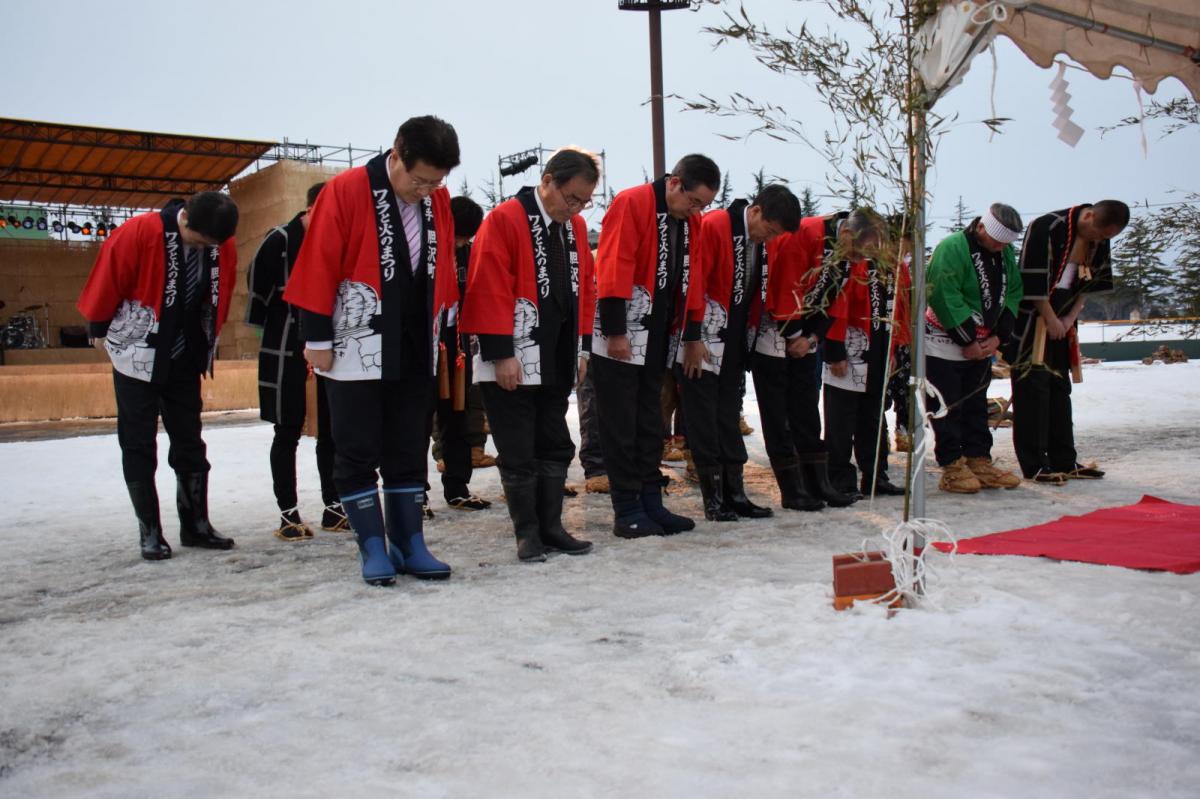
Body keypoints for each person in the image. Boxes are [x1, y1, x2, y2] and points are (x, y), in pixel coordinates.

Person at [283, 115, 460, 586]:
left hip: (416, 338)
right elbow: (318, 261)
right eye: (419, 179)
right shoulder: (346, 190)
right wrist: (316, 337)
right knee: (357, 445)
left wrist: (445, 320)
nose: (425, 190)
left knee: (409, 443)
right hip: (355, 339)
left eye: (436, 182)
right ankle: (371, 545)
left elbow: (441, 265)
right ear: (396, 153)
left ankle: (409, 541)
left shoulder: (435, 199)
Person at [77, 191, 239, 560]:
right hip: (138, 351)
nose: (206, 248)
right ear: (184, 220)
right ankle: (150, 530)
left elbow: (222, 289)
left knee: (190, 440)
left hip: (185, 352)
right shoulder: (140, 232)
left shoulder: (218, 242)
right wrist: (98, 327)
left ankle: (196, 525)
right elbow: (108, 277)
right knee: (138, 441)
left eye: (213, 244)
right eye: (200, 241)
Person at [461, 148, 599, 561]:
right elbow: (486, 285)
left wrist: (582, 348)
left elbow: (585, 289)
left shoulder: (573, 227)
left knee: (554, 441)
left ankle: (552, 527)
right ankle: (527, 533)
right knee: (518, 446)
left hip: (556, 352)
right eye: (572, 198)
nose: (575, 208)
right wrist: (501, 353)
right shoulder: (505, 218)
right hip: (511, 355)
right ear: (548, 180)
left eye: (584, 202)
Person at [590, 154, 720, 538]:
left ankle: (651, 501)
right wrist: (615, 331)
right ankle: (626, 508)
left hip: (659, 335)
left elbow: (694, 280)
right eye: (694, 201)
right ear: (676, 183)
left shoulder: (690, 222)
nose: (697, 210)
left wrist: (693, 335)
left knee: (651, 421)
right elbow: (613, 265)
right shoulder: (633, 202)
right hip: (622, 335)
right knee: (621, 423)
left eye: (704, 206)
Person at [677, 184, 800, 521]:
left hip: (734, 337)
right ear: (757, 212)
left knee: (728, 416)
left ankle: (736, 492)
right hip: (702, 337)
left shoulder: (758, 240)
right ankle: (713, 497)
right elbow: (696, 281)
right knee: (703, 416)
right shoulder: (717, 224)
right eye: (770, 231)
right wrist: (692, 336)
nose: (769, 239)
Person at [246, 182, 346, 539]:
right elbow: (257, 299)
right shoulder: (279, 240)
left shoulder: (336, 240)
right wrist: (279, 338)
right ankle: (288, 513)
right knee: (286, 431)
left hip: (329, 353)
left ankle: (333, 507)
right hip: (286, 352)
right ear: (312, 208)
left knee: (331, 432)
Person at [1005, 200, 1129, 483]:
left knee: (1059, 388)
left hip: (1065, 313)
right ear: (1088, 216)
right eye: (1098, 234)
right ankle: (1035, 464)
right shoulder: (1046, 227)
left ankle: (1064, 459)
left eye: (1106, 238)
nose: (1099, 241)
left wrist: (1069, 319)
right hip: (1034, 313)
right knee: (1032, 387)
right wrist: (1049, 318)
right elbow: (1032, 282)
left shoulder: (1100, 236)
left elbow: (1089, 284)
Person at [751, 210, 863, 512]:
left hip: (805, 332)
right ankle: (791, 488)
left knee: (806, 407)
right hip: (775, 325)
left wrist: (812, 338)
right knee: (778, 412)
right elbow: (784, 285)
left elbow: (837, 296)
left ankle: (818, 482)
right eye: (854, 254)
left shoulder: (848, 252)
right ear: (847, 235)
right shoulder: (807, 233)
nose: (855, 260)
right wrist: (795, 335)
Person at [924, 204, 1025, 493]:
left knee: (976, 405)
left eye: (1006, 243)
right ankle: (952, 465)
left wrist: (998, 337)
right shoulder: (953, 247)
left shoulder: (1003, 252)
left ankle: (979, 459)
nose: (1000, 247)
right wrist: (967, 340)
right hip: (945, 340)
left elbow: (1013, 291)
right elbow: (944, 292)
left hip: (984, 340)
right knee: (948, 406)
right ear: (981, 228)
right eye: (997, 241)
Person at [822, 208, 910, 498]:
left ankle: (876, 475)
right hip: (848, 347)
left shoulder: (893, 268)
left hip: (880, 346)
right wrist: (835, 351)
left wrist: (895, 346)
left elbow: (897, 311)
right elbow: (837, 306)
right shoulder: (851, 262)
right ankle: (839, 477)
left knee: (873, 416)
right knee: (841, 418)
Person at [431, 195, 491, 511]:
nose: (460, 242)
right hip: (425, 349)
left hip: (459, 351)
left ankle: (457, 488)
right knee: (418, 421)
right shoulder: (428, 251)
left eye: (467, 237)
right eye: (457, 235)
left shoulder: (470, 253)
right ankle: (415, 494)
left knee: (458, 419)